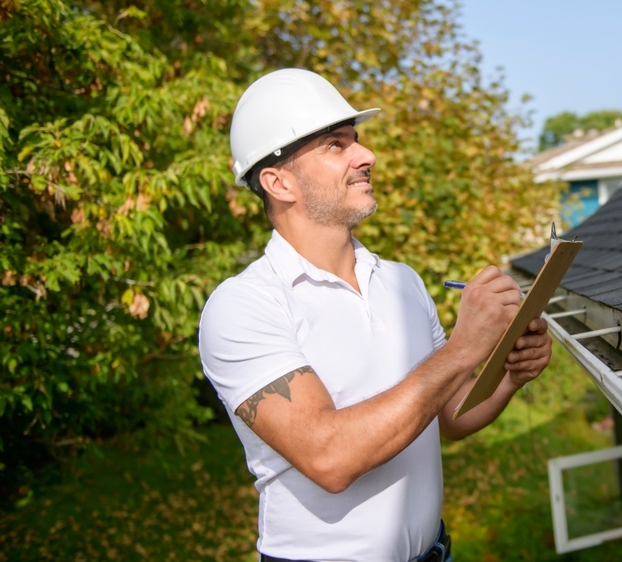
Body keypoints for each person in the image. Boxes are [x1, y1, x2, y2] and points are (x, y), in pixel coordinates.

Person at [198, 68, 552, 562]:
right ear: (278, 182)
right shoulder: (243, 306)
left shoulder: (402, 281)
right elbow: (330, 457)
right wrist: (465, 348)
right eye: (335, 145)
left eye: (356, 141)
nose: (367, 156)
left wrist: (510, 374)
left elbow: (450, 415)